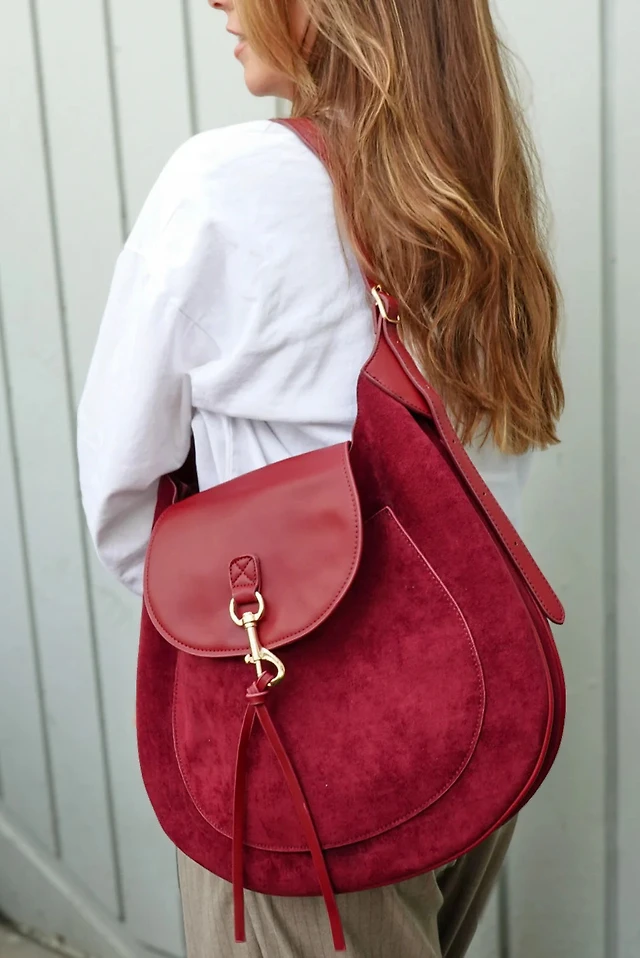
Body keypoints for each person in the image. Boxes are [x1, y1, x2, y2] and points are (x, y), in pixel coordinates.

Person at [77, 0, 564, 954]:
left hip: (299, 751)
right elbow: (490, 464)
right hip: (471, 710)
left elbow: (120, 496)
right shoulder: (472, 191)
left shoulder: (225, 185)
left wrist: (230, 629)